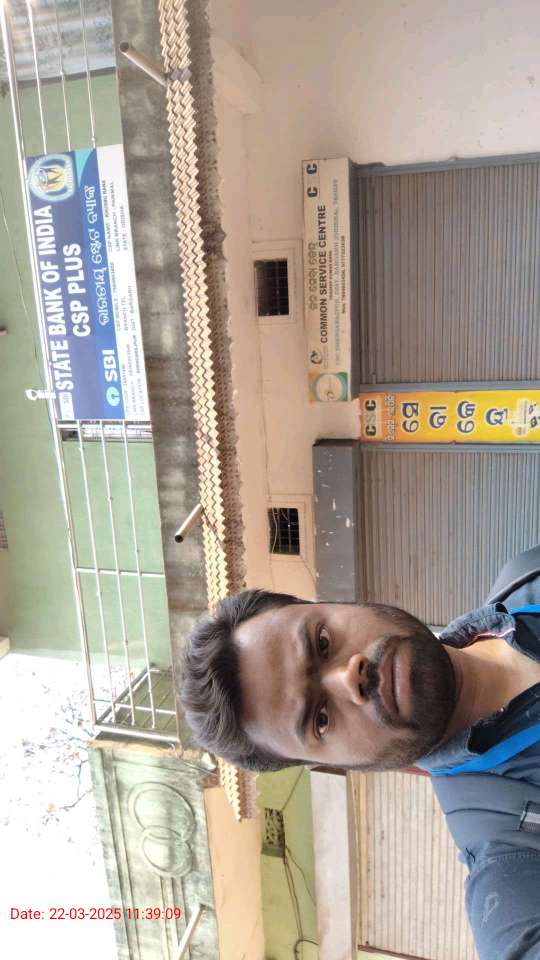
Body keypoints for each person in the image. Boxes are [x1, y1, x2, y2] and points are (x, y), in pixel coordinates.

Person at [179, 545, 540, 960]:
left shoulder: (527, 575)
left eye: (322, 641)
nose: (348, 678)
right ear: (332, 764)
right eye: (320, 720)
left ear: (329, 602)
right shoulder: (509, 851)